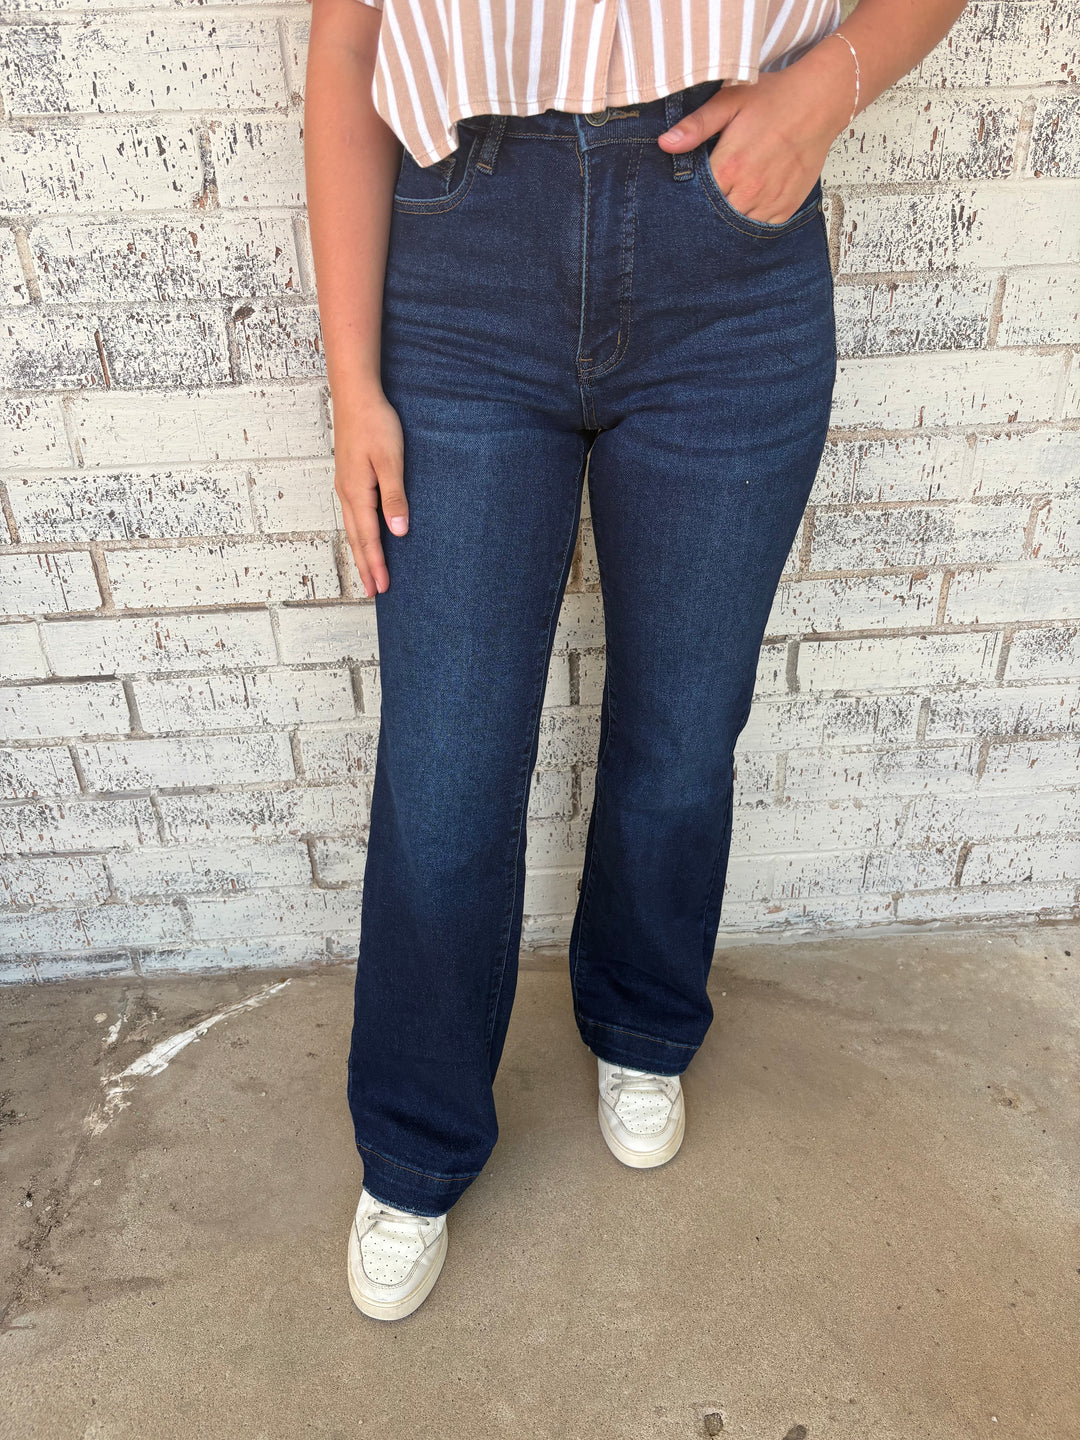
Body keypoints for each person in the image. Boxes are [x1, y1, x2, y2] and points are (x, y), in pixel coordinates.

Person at [303, 0, 970, 1322]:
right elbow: (347, 40)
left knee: (683, 724)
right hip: (462, 251)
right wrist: (353, 384)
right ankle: (416, 1140)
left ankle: (644, 1016)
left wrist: (820, 93)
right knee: (445, 769)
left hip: (728, 244)